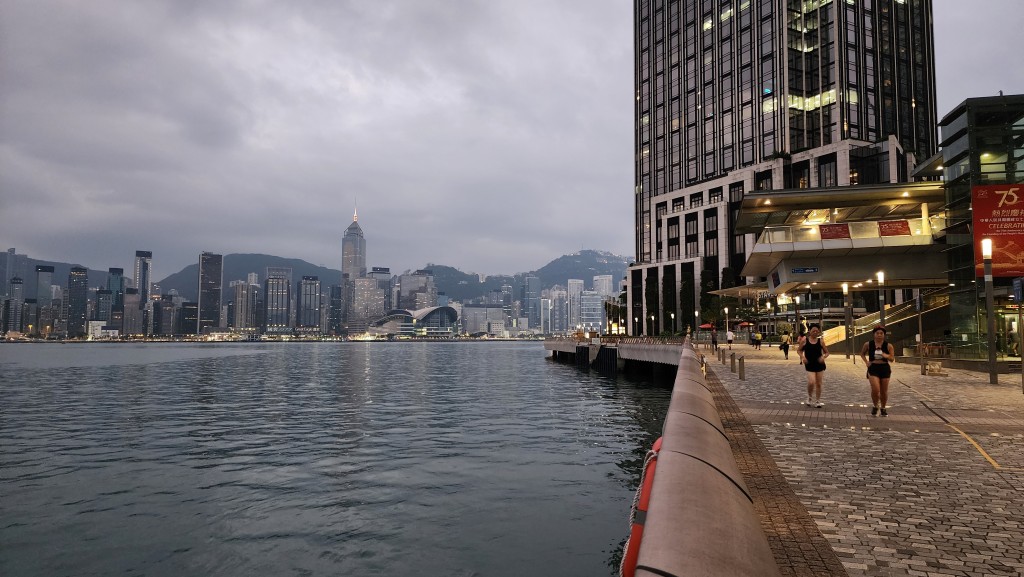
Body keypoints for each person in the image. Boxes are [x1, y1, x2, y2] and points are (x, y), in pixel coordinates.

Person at [860, 325, 895, 416]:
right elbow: (862, 354)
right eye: (877, 333)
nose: (879, 335)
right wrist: (866, 362)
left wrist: (885, 355)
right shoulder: (868, 344)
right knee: (875, 389)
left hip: (884, 368)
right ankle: (875, 405)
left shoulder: (888, 345)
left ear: (884, 335)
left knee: (884, 390)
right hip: (873, 367)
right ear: (874, 334)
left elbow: (892, 358)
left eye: (881, 333)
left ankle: (883, 408)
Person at [798, 324, 829, 407]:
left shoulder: (821, 341)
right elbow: (799, 350)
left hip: (819, 364)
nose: (815, 333)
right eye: (813, 331)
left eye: (817, 331)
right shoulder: (805, 340)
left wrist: (823, 357)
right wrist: (803, 357)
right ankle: (809, 397)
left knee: (819, 383)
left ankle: (818, 401)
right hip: (809, 364)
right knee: (811, 382)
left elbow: (827, 352)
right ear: (809, 331)